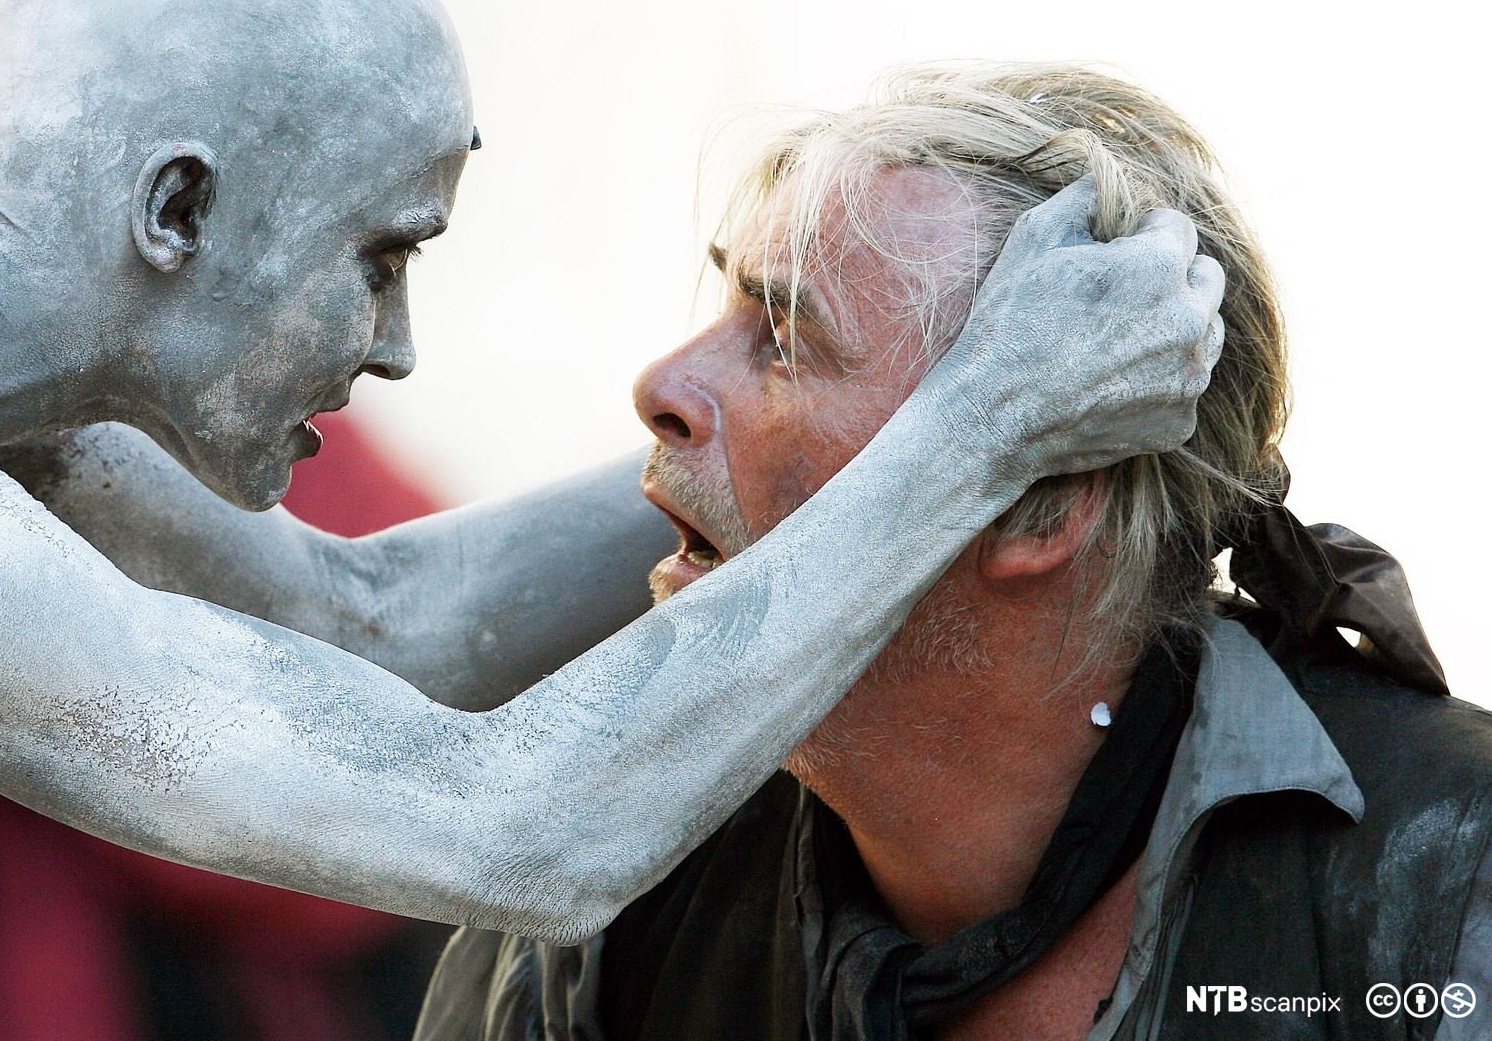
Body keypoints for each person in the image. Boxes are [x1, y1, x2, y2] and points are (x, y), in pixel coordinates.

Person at [0, 0, 1221, 1035]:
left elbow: (384, 623)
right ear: (177, 210)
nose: (394, 343)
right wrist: (975, 427)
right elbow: (515, 831)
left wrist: (844, 427)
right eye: (380, 255)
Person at [388, 63, 1485, 1040]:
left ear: (1041, 508)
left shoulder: (1441, 883)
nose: (661, 386)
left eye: (783, 338)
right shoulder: (629, 879)